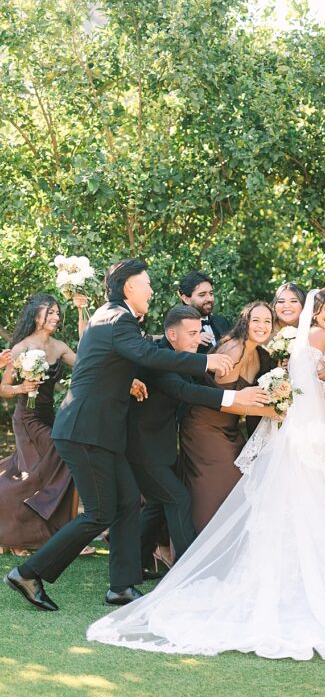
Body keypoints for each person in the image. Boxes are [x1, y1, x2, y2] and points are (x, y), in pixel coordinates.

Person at [85, 290, 325, 661]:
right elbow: (306, 387)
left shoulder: (318, 343)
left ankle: (319, 572)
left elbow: (317, 388)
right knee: (304, 496)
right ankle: (302, 576)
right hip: (307, 432)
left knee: (316, 499)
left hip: (318, 427)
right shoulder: (310, 338)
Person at [4, 258, 232, 612]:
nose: (152, 290)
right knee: (98, 512)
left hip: (103, 433)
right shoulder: (115, 317)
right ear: (129, 288)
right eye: (147, 284)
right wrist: (206, 362)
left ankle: (121, 587)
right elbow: (143, 352)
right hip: (85, 430)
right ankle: (28, 573)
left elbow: (140, 346)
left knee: (127, 503)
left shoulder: (113, 317)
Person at [128, 305, 274, 575]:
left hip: (169, 440)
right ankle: (191, 567)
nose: (201, 339)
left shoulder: (188, 355)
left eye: (199, 332)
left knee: (162, 501)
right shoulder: (162, 357)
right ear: (172, 334)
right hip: (151, 441)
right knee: (184, 498)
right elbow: (185, 390)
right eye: (193, 333)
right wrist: (250, 403)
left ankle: (137, 561)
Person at [0, 294, 88, 552]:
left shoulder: (59, 346)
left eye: (58, 313)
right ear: (36, 316)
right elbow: (4, 388)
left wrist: (82, 312)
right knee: (34, 475)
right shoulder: (20, 348)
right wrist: (22, 388)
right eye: (50, 313)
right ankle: (17, 537)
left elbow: (85, 362)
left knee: (52, 469)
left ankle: (62, 535)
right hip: (27, 418)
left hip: (49, 416)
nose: (55, 317)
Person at [180, 301, 275, 530]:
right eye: (256, 320)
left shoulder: (260, 354)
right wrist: (266, 411)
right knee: (215, 488)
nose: (262, 326)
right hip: (205, 426)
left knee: (241, 483)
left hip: (230, 428)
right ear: (245, 322)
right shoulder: (234, 349)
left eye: (267, 321)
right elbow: (222, 402)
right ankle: (199, 547)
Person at [178, 270, 231, 351]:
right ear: (186, 299)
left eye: (211, 293)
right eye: (202, 295)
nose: (209, 298)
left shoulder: (222, 322)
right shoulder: (178, 327)